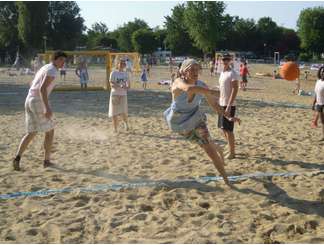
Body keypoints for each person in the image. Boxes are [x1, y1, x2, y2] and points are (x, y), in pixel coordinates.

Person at [164, 59, 240, 186]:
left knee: (209, 149)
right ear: (184, 71)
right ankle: (218, 148)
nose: (195, 72)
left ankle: (226, 180)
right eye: (191, 69)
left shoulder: (202, 86)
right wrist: (210, 91)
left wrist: (228, 116)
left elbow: (214, 105)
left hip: (195, 119)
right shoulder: (178, 82)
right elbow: (189, 89)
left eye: (197, 69)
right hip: (179, 123)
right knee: (205, 144)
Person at [12, 51, 67, 171]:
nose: (63, 62)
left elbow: (32, 83)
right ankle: (47, 161)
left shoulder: (45, 67)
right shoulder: (52, 70)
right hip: (37, 101)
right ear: (55, 59)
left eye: (64, 60)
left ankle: (17, 158)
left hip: (29, 99)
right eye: (61, 60)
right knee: (50, 131)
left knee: (31, 132)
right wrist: (46, 107)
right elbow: (42, 89)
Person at [218, 53, 240, 159]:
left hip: (229, 104)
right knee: (223, 129)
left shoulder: (233, 73)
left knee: (229, 130)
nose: (224, 61)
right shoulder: (222, 73)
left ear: (230, 61)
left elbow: (235, 89)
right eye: (223, 59)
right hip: (221, 103)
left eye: (227, 59)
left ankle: (232, 152)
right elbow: (222, 88)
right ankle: (230, 147)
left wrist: (229, 106)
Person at [108, 58, 130, 133]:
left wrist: (126, 87)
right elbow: (111, 84)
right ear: (117, 64)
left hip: (123, 94)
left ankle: (126, 123)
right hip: (114, 94)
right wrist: (118, 85)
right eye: (120, 63)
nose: (122, 64)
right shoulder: (113, 73)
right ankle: (115, 128)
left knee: (123, 111)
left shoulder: (126, 73)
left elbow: (128, 86)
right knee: (114, 113)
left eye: (123, 63)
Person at [311, 66, 324, 140]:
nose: (323, 73)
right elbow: (316, 94)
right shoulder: (318, 81)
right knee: (322, 121)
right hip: (319, 104)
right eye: (322, 71)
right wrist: (313, 103)